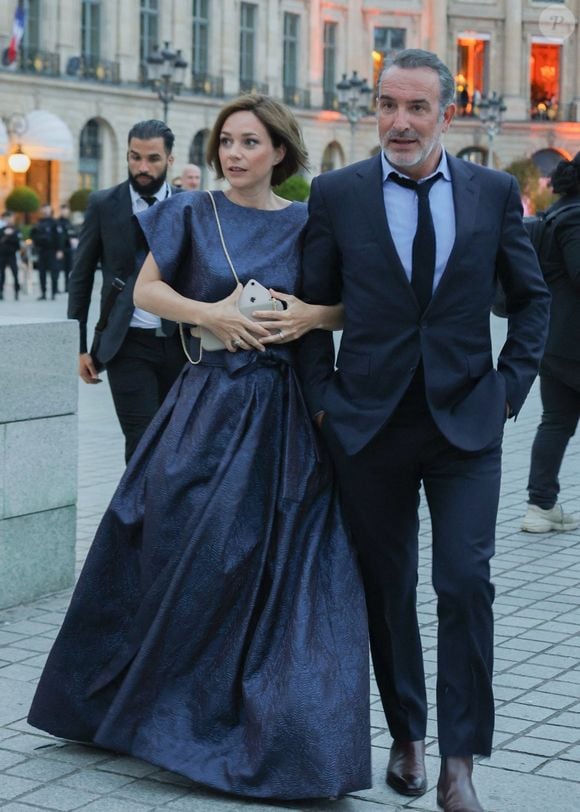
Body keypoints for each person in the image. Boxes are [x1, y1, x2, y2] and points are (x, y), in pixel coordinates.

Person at [28, 94, 371, 800]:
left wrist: (312, 316)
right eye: (226, 141)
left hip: (279, 410)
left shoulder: (310, 222)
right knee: (180, 546)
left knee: (270, 562)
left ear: (280, 151)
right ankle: (148, 707)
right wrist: (211, 311)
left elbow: (347, 305)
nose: (234, 153)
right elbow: (147, 293)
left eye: (249, 142)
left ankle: (252, 720)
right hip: (205, 402)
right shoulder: (189, 211)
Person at [297, 49, 550, 812]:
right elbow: (308, 309)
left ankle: (460, 760)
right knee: (388, 587)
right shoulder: (337, 194)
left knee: (465, 584)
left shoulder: (494, 192)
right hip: (367, 425)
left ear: (448, 112)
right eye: (386, 105)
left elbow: (531, 301)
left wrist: (508, 391)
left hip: (466, 425)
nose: (399, 122)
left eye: (416, 107)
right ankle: (406, 736)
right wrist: (321, 403)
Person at [67, 119, 185, 462]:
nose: (142, 168)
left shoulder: (189, 205)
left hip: (181, 344)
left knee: (176, 439)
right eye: (135, 158)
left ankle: (168, 514)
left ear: (170, 160)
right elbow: (81, 277)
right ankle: (137, 516)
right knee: (141, 441)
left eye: (152, 159)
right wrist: (77, 347)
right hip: (127, 344)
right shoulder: (104, 203)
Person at [521, 153, 580, 533]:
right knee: (556, 422)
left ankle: (540, 507)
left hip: (555, 340)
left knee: (556, 421)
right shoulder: (575, 217)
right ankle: (540, 505)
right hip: (572, 343)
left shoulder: (558, 212)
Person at [31, 203, 61, 300]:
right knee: (41, 273)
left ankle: (53, 293)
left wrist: (60, 250)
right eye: (44, 209)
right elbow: (33, 235)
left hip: (52, 251)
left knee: (54, 273)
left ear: (50, 210)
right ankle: (43, 293)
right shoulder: (38, 223)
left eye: (47, 209)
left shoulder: (55, 223)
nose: (45, 211)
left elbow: (59, 237)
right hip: (41, 251)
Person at [0, 211, 21, 301]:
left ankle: (16, 292)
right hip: (2, 255)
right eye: (6, 218)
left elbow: (18, 244)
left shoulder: (16, 230)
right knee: (2, 274)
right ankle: (1, 292)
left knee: (15, 274)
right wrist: (5, 234)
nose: (8, 220)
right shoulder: (1, 230)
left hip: (12, 255)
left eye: (10, 218)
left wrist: (11, 235)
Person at [56, 203, 75, 292]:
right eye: (63, 210)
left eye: (66, 210)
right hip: (60, 249)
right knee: (57, 269)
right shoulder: (58, 222)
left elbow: (73, 234)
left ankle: (67, 287)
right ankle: (55, 287)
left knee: (68, 269)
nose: (64, 212)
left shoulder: (69, 222)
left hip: (69, 249)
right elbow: (60, 237)